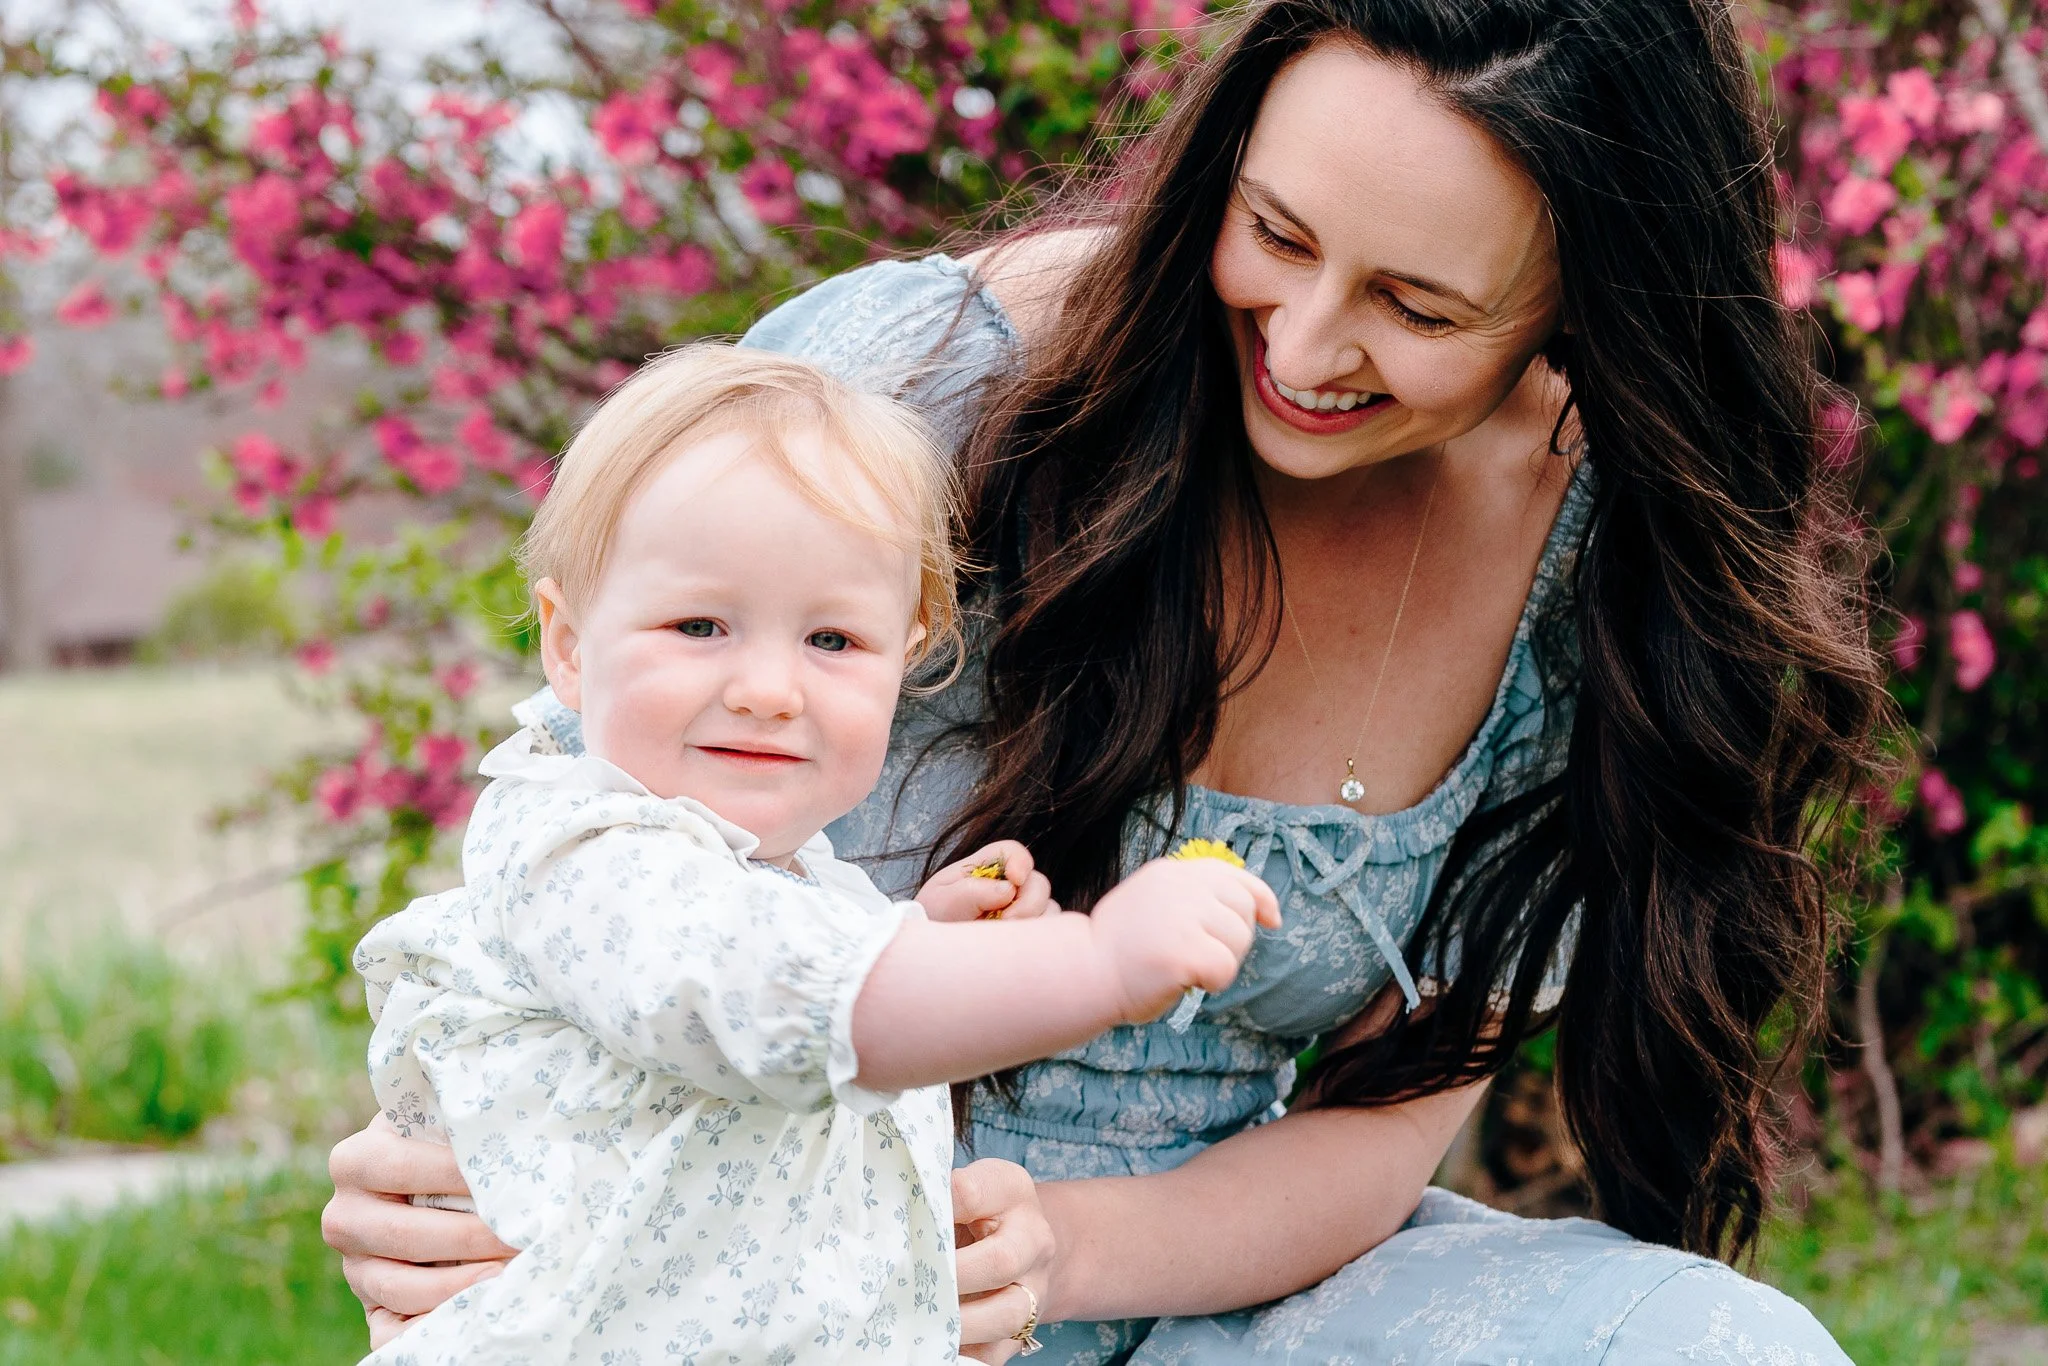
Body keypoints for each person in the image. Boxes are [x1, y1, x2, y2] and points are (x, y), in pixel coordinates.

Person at [322, 1, 1891, 1360]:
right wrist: (433, 1155)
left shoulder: (1584, 567)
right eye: (1275, 233)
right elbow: (577, 822)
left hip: (1201, 1288)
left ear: (1578, 308)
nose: (1307, 341)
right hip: (750, 1283)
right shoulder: (930, 380)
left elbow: (1380, 1124)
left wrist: (1055, 1252)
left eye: (1419, 306)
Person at [349, 344, 1278, 1363]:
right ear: (568, 645)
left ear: (909, 651)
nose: (768, 688)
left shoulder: (772, 870)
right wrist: (1098, 962)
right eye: (699, 624)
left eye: (831, 640)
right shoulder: (586, 858)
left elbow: (778, 972)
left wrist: (913, 931)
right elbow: (771, 996)